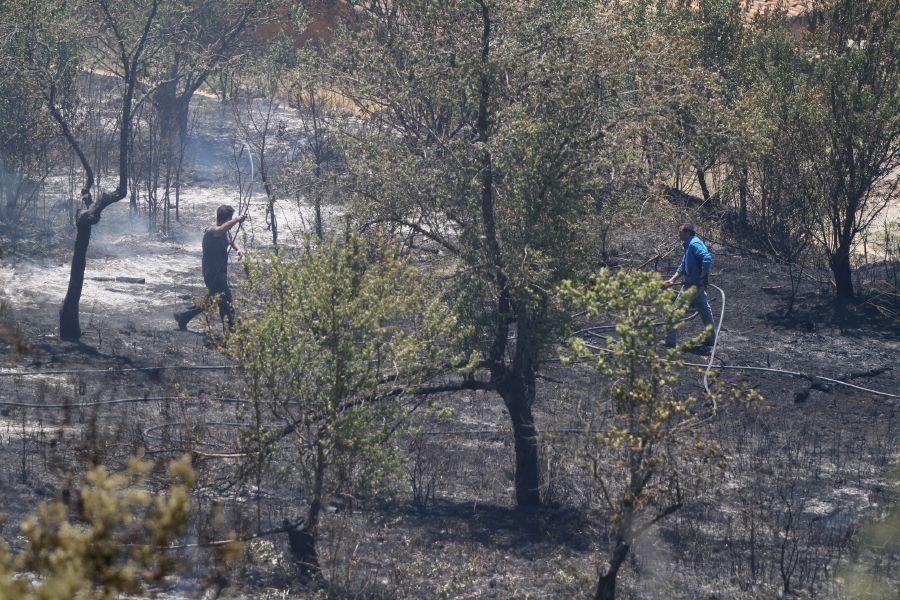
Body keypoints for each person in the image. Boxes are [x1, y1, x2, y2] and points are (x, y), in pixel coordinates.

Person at [175, 205, 247, 331]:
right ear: (225, 219)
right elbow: (220, 231)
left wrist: (238, 249)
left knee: (211, 301)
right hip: (212, 273)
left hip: (220, 272)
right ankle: (230, 331)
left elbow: (230, 240)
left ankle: (183, 316)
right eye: (229, 220)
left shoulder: (225, 231)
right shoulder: (211, 231)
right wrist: (236, 220)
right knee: (226, 301)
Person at [665, 223, 715, 350]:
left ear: (688, 232)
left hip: (692, 287)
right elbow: (683, 265)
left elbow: (707, 258)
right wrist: (672, 280)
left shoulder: (694, 244)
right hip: (694, 285)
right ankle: (711, 339)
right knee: (705, 311)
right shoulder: (689, 245)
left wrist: (703, 277)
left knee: (674, 312)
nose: (678, 234)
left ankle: (670, 342)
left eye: (680, 232)